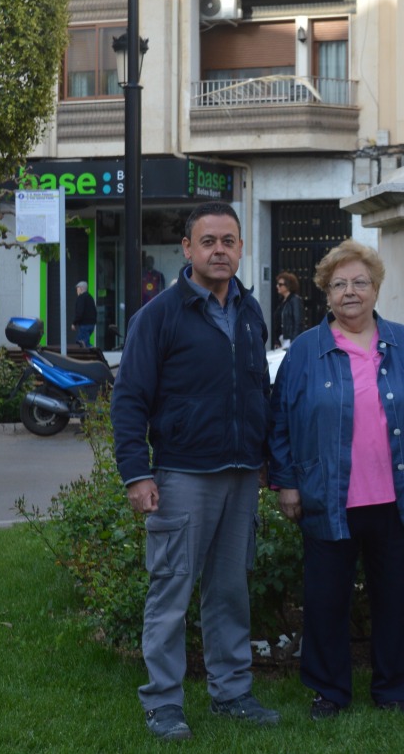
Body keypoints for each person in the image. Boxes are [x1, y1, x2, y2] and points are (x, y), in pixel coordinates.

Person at [110, 202, 278, 740]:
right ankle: (163, 702)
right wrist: (137, 473)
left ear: (241, 248)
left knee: (230, 591)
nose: (220, 250)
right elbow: (130, 398)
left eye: (229, 240)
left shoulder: (251, 313)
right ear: (187, 249)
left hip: (241, 474)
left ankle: (232, 693)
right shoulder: (159, 315)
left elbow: (259, 393)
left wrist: (267, 461)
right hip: (183, 475)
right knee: (171, 592)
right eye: (208, 241)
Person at [269, 241, 404, 720]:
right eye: (339, 284)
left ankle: (392, 691)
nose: (350, 292)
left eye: (360, 282)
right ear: (325, 294)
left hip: (394, 498)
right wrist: (286, 482)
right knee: (325, 602)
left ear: (376, 289)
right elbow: (279, 419)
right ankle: (329, 691)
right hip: (328, 498)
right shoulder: (305, 351)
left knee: (394, 601)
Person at [273, 271, 304, 349]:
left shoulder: (295, 300)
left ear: (288, 286)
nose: (277, 286)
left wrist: (294, 341)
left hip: (290, 340)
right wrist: (276, 340)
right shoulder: (282, 301)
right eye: (277, 284)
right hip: (282, 339)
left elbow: (298, 322)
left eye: (280, 284)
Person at [72, 281, 97, 348]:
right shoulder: (90, 298)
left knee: (81, 343)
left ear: (80, 288)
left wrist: (74, 323)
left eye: (77, 288)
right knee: (84, 342)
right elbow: (94, 311)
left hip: (84, 325)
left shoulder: (81, 298)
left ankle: (94, 352)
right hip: (91, 325)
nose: (77, 290)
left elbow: (79, 312)